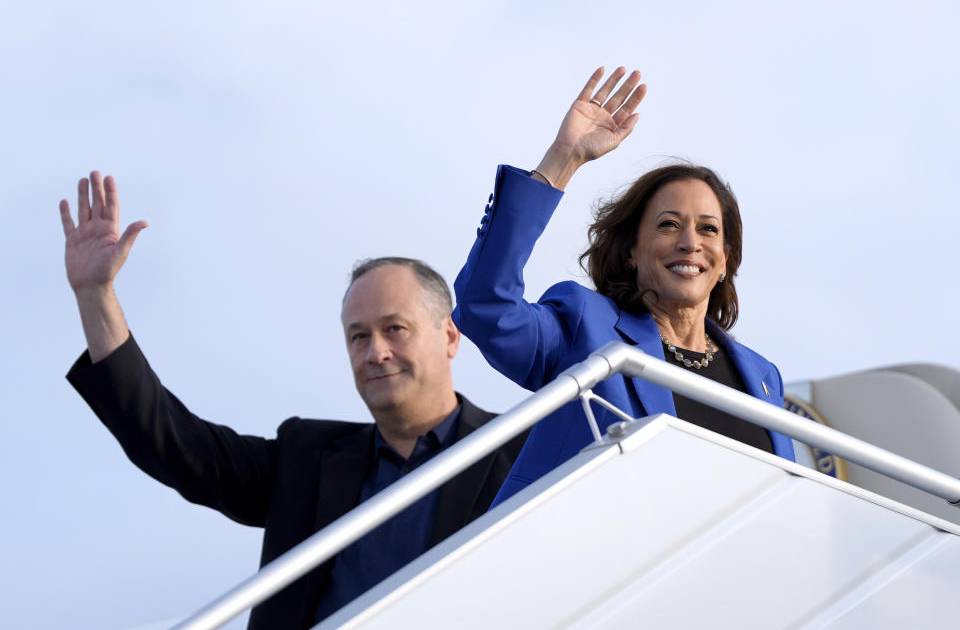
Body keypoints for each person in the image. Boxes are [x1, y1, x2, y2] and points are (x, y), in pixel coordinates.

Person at [58, 172, 527, 629]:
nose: (375, 352)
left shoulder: (519, 451)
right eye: (357, 336)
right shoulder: (307, 457)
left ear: (449, 335)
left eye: (394, 329)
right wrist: (95, 296)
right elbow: (174, 443)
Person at [453, 67, 796, 506]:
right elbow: (485, 307)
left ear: (725, 259)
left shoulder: (763, 377)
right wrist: (564, 159)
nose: (690, 243)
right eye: (669, 225)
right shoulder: (586, 328)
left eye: (708, 230)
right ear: (633, 250)